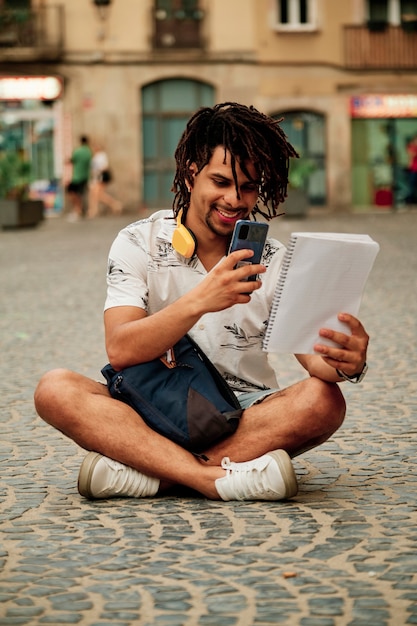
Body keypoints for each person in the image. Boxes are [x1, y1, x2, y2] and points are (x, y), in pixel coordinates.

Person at [34, 103, 369, 502]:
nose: (234, 200)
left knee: (323, 402)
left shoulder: (275, 260)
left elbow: (316, 365)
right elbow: (121, 348)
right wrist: (200, 301)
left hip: (244, 412)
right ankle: (213, 478)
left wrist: (347, 361)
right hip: (154, 407)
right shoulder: (138, 240)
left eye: (247, 187)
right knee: (54, 389)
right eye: (221, 182)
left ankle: (153, 472)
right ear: (192, 174)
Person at [87, 144, 123, 218]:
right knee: (96, 195)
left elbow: (104, 167)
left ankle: (94, 211)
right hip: (96, 178)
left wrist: (98, 171)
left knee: (96, 195)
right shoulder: (96, 156)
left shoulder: (101, 156)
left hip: (100, 178)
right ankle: (115, 205)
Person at [66, 135, 92, 221]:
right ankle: (80, 210)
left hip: (77, 176)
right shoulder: (89, 152)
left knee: (72, 193)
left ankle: (78, 210)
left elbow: (71, 160)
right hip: (85, 176)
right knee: (80, 194)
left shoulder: (78, 151)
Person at [406, 134, 417, 204]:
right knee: (411, 186)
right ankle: (411, 201)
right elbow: (411, 154)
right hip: (413, 170)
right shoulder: (411, 147)